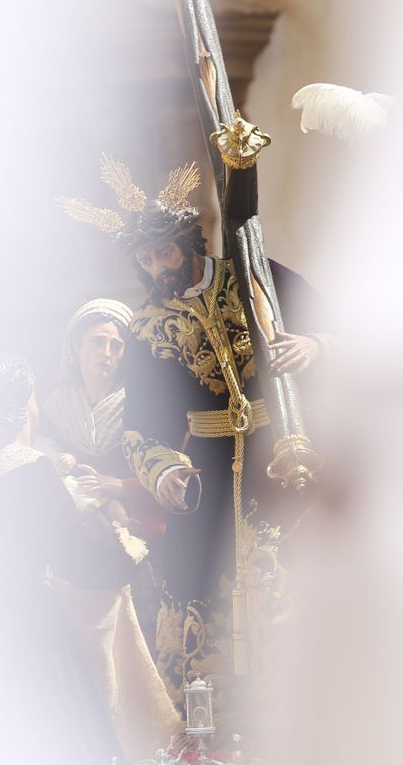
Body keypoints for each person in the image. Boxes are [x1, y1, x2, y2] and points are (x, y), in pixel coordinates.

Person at [60, 158, 332, 710]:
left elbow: (338, 323)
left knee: (288, 572)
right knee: (201, 584)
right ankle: (222, 721)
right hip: (205, 470)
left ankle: (303, 708)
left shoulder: (253, 276)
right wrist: (162, 471)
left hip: (278, 449)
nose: (158, 266)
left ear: (190, 242)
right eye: (145, 257)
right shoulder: (146, 325)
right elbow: (141, 427)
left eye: (165, 251)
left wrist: (317, 345)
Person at [0, 318, 180, 765]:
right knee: (70, 759)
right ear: (22, 405)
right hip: (27, 624)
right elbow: (80, 553)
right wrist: (123, 546)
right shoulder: (27, 466)